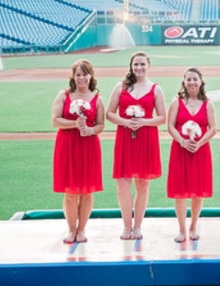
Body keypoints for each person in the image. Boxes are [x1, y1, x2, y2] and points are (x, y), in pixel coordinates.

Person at [106, 51, 166, 240]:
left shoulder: (156, 89)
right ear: (131, 66)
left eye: (142, 64)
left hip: (146, 138)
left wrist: (143, 122)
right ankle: (126, 225)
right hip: (125, 138)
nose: (139, 68)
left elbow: (162, 117)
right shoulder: (120, 87)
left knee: (142, 183)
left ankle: (138, 226)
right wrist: (125, 121)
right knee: (123, 184)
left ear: (149, 66)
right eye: (135, 65)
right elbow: (109, 113)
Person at [51, 59, 104, 244]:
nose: (81, 78)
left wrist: (89, 130)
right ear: (73, 76)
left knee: (87, 191)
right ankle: (71, 230)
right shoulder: (64, 95)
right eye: (78, 74)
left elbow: (100, 125)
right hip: (67, 145)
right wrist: (75, 124)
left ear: (91, 76)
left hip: (88, 146)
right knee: (70, 191)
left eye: (84, 74)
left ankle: (82, 229)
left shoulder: (97, 99)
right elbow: (55, 120)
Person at [166, 67, 216, 242]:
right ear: (184, 82)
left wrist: (199, 143)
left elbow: (213, 128)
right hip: (180, 150)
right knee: (180, 191)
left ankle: (194, 226)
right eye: (188, 79)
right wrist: (182, 141)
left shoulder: (208, 103)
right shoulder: (176, 102)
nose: (192, 82)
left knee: (198, 191)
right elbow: (170, 126)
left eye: (195, 79)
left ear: (201, 81)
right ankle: (181, 229)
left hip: (200, 151)